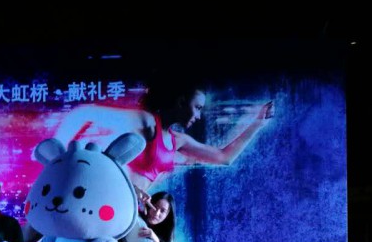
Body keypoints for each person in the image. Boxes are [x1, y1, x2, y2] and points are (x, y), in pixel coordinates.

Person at [53, 84, 275, 201]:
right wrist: (58, 157)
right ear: (181, 102)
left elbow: (224, 157)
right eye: (197, 107)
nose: (199, 116)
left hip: (135, 209)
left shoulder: (177, 140)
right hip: (112, 202)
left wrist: (258, 123)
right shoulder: (146, 121)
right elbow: (84, 114)